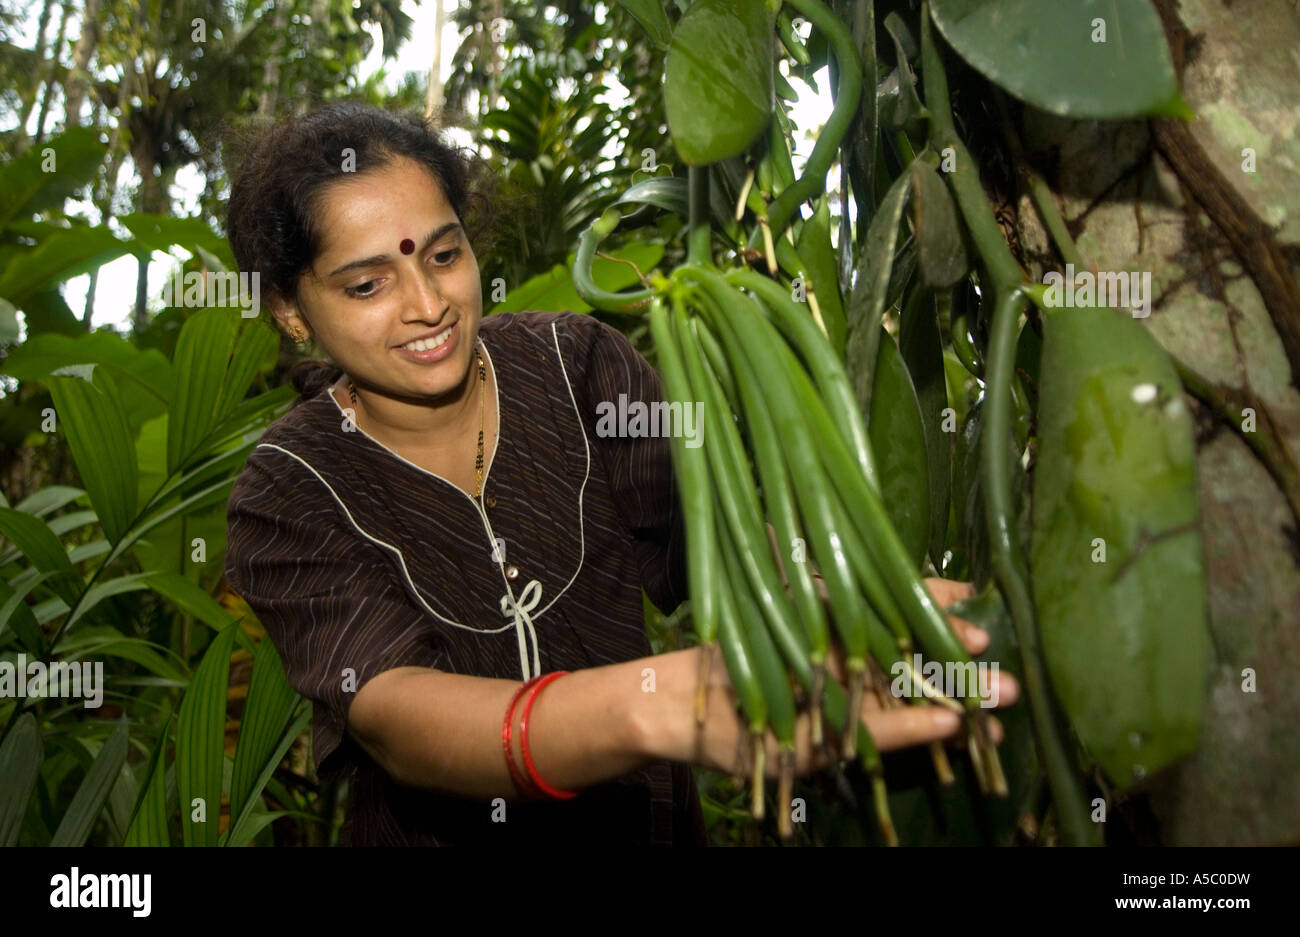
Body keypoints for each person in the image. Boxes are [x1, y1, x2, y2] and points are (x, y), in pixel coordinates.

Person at [221, 101, 1016, 846]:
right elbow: (393, 713)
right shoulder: (288, 489)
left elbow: (718, 549)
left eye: (444, 254)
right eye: (367, 285)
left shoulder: (576, 365)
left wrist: (843, 600)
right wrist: (645, 710)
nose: (427, 304)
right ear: (292, 309)